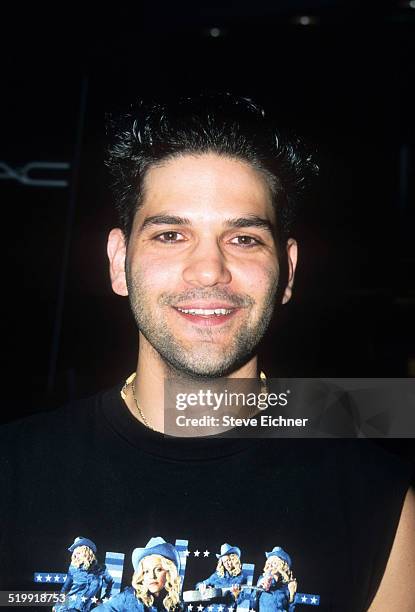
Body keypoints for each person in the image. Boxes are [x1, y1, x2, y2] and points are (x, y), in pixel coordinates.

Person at [0, 93, 414, 612]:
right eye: (171, 234)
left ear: (287, 272)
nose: (208, 270)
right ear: (118, 262)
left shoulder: (380, 503)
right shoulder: (12, 475)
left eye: (243, 238)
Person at [94, 537, 182, 611]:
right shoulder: (128, 598)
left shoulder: (176, 604)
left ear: (169, 572)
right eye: (146, 571)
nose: (152, 576)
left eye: (158, 570)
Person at [53, 537, 114, 612]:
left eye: (78, 553)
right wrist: (57, 605)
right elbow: (65, 588)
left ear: (87, 553)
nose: (75, 556)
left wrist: (105, 599)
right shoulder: (73, 568)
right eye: (75, 553)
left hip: (88, 608)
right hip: (69, 607)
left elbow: (111, 582)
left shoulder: (101, 569)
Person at [195, 543, 248, 610]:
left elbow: (242, 601)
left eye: (229, 560)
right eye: (225, 561)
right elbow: (199, 584)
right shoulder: (217, 575)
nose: (227, 564)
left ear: (234, 559)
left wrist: (236, 595)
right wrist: (201, 586)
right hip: (211, 609)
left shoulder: (242, 577)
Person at [251, 546, 296, 612]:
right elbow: (252, 604)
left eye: (274, 563)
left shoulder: (286, 585)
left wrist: (292, 594)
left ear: (282, 566)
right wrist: (258, 587)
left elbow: (290, 609)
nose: (270, 566)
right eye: (269, 563)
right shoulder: (261, 580)